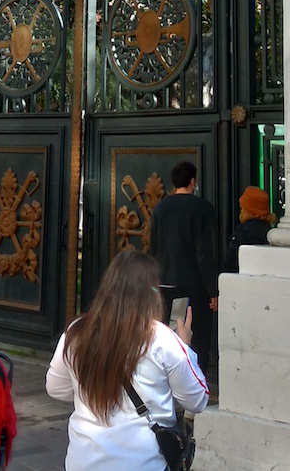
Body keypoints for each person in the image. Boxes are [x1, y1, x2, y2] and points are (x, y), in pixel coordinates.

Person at [46, 250, 208, 471]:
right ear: (151, 294)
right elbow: (197, 400)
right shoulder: (162, 338)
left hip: (83, 462)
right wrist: (186, 347)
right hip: (143, 463)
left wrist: (89, 388)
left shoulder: (76, 332)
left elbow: (56, 389)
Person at [149, 161, 218, 371]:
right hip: (193, 287)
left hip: (165, 284)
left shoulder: (160, 208)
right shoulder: (203, 209)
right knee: (196, 340)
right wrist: (212, 290)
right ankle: (195, 386)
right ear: (192, 181)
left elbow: (154, 247)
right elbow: (204, 253)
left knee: (166, 339)